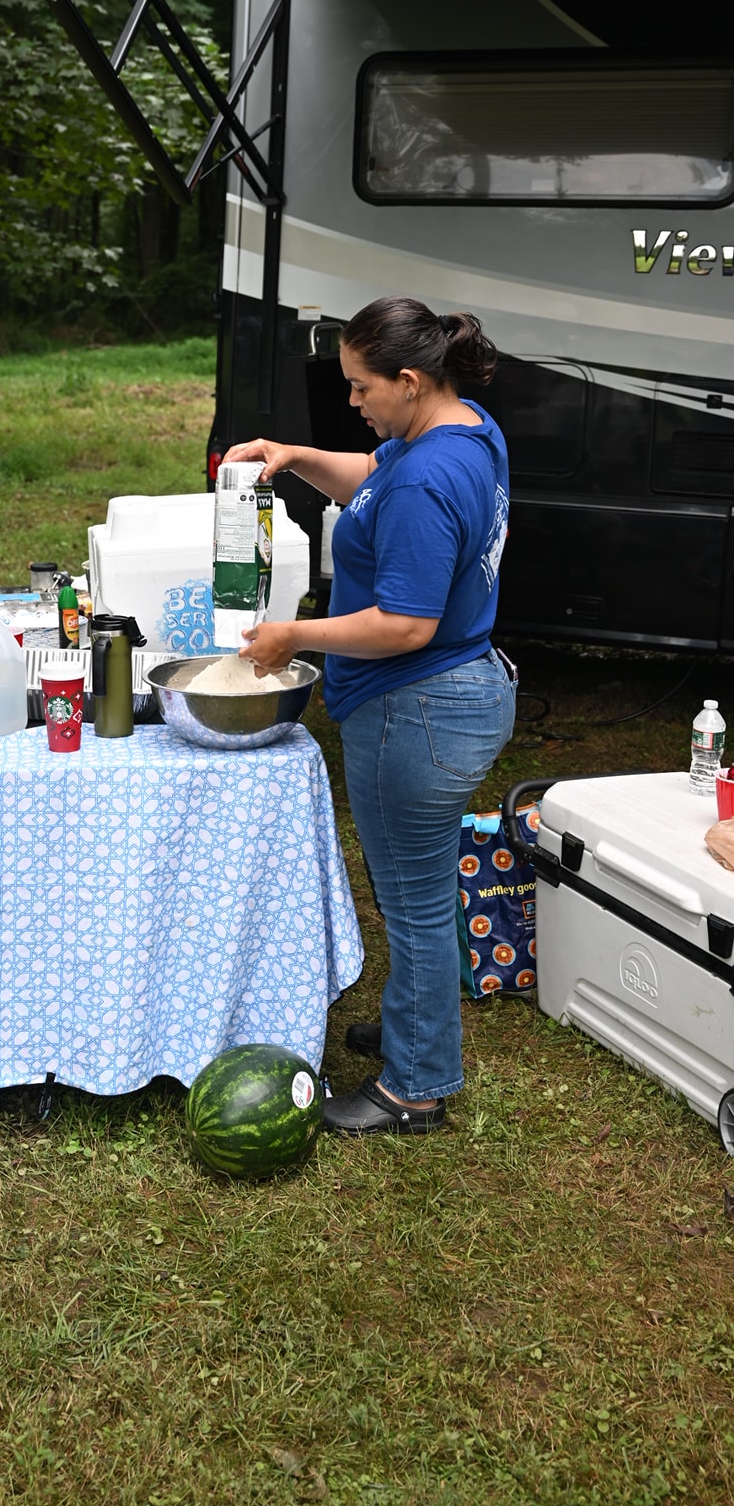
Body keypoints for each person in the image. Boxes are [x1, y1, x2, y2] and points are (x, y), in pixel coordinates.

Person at [225, 295, 514, 1138]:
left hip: (417, 707)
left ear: (410, 380)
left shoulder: (426, 475)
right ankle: (409, 1026)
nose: (351, 403)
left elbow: (403, 624)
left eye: (359, 389)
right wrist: (296, 456)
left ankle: (414, 1086)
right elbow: (374, 479)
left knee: (414, 903)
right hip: (459, 690)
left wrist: (293, 636)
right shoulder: (462, 430)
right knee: (417, 893)